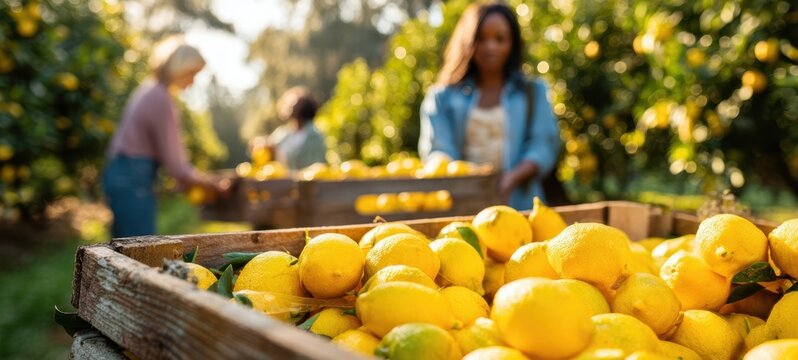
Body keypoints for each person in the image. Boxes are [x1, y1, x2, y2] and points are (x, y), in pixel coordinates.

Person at [418, 2, 561, 210]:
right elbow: (438, 149)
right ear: (467, 42)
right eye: (481, 39)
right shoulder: (442, 97)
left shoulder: (533, 91)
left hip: (522, 206)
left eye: (500, 39)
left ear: (512, 43)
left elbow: (542, 145)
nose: (490, 47)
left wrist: (512, 178)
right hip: (461, 208)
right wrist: (462, 181)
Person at [103, 37, 228, 238]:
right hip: (133, 180)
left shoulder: (148, 89)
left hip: (120, 173)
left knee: (121, 251)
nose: (193, 81)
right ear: (179, 68)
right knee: (138, 253)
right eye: (192, 73)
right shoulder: (161, 99)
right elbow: (178, 168)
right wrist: (213, 185)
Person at [253, 87, 327, 170]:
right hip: (285, 182)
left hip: (307, 181)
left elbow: (317, 166)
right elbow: (269, 147)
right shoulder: (283, 133)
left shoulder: (314, 135)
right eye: (288, 104)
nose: (290, 107)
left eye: (294, 104)